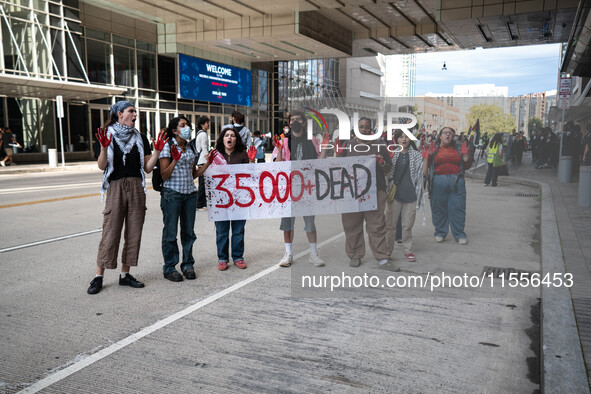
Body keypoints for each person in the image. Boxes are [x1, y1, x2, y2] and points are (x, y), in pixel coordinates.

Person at [87, 101, 167, 295]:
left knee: (134, 232)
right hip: (115, 186)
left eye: (135, 112)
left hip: (136, 186)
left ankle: (125, 274)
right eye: (131, 111)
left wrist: (156, 152)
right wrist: (104, 148)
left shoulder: (140, 137)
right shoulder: (107, 134)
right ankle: (99, 276)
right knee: (110, 231)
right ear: (119, 114)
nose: (135, 114)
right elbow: (101, 165)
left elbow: (147, 168)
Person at [159, 117, 215, 282]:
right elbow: (164, 175)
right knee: (170, 233)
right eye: (182, 126)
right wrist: (175, 159)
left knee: (189, 233)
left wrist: (207, 164)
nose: (187, 128)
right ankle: (170, 267)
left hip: (190, 194)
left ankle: (188, 265)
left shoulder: (190, 148)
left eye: (187, 125)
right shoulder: (167, 147)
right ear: (175, 130)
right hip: (172, 194)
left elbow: (193, 174)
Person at [273, 109, 326, 268]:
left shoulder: (312, 140)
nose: (295, 122)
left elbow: (320, 163)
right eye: (292, 120)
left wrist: (324, 148)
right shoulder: (284, 141)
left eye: (298, 119)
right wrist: (280, 149)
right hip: (289, 189)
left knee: (310, 223)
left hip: (307, 188)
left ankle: (314, 254)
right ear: (289, 123)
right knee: (287, 224)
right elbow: (277, 165)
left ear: (304, 122)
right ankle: (288, 254)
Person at [338, 117, 392, 267]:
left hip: (374, 192)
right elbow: (337, 167)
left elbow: (388, 168)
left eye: (367, 127)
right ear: (356, 129)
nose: (364, 130)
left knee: (377, 225)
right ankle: (355, 255)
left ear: (371, 129)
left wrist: (381, 163)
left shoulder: (379, 146)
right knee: (351, 225)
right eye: (361, 127)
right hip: (352, 192)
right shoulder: (348, 146)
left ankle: (382, 258)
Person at [212, 126, 255, 271]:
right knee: (222, 231)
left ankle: (238, 257)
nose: (229, 138)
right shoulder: (215, 155)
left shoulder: (243, 154)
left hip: (239, 199)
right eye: (226, 135)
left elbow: (250, 175)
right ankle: (222, 258)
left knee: (238, 230)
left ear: (236, 139)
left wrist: (251, 161)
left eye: (232, 135)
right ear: (222, 139)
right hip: (220, 200)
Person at [424, 127, 472, 245]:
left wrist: (466, 158)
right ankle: (440, 232)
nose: (447, 135)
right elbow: (426, 168)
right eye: (445, 133)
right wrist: (428, 155)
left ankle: (459, 234)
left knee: (458, 208)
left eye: (450, 133)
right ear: (440, 136)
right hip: (438, 181)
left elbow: (467, 165)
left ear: (453, 136)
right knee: (438, 208)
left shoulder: (459, 149)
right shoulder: (434, 149)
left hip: (457, 181)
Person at [386, 129, 423, 262]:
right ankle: (387, 251)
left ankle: (408, 250)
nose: (404, 139)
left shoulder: (417, 156)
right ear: (396, 139)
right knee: (390, 225)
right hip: (394, 194)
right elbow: (386, 173)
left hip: (410, 195)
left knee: (407, 225)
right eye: (401, 137)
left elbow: (422, 175)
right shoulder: (392, 154)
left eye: (407, 137)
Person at [193, 115, 210, 210]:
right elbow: (204, 149)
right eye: (207, 123)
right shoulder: (203, 134)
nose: (208, 125)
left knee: (203, 183)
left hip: (200, 161)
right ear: (202, 124)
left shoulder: (199, 133)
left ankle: (201, 203)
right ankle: (200, 204)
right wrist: (209, 160)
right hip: (203, 161)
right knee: (203, 184)